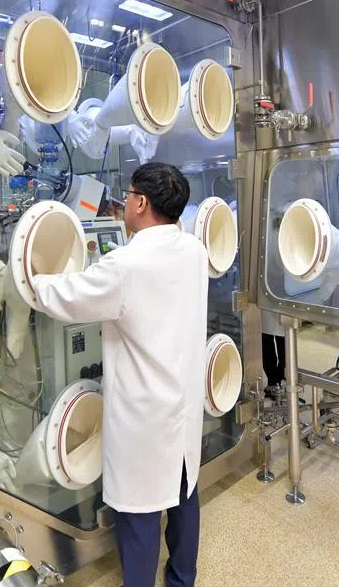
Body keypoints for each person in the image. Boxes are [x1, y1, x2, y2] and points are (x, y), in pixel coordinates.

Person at [31, 162, 207, 587]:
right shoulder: (195, 251)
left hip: (144, 414)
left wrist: (26, 274)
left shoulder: (125, 265)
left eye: (126, 196)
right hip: (181, 404)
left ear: (141, 203)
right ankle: (183, 578)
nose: (121, 204)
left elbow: (67, 297)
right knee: (184, 493)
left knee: (140, 513)